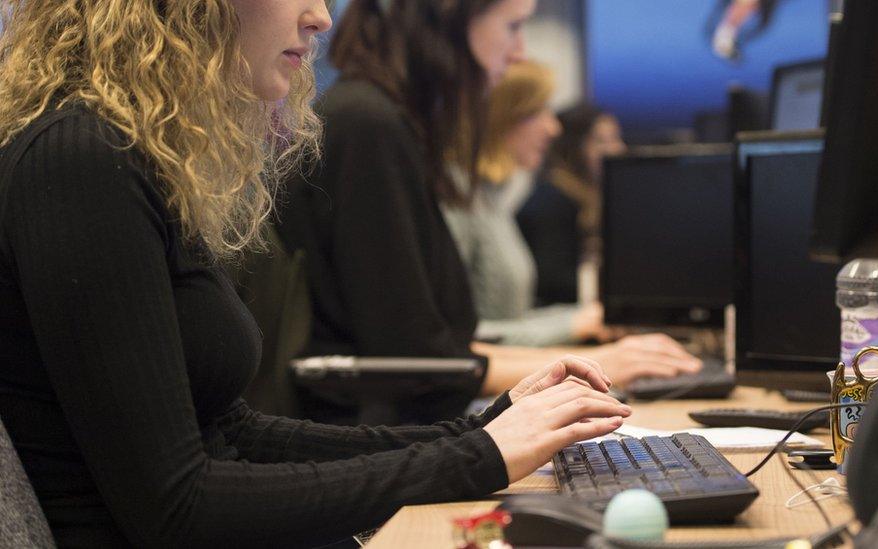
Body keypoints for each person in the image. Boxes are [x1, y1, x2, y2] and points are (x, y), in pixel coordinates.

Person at [0, 1, 630, 546]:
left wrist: (477, 431)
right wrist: (475, 458)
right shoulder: (81, 161)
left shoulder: (139, 158)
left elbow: (231, 432)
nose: (323, 18)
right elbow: (177, 508)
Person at [281, 3, 701, 419]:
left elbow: (434, 350)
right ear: (446, 23)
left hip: (399, 440)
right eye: (512, 27)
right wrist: (593, 363)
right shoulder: (368, 124)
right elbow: (420, 362)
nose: (519, 51)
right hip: (376, 445)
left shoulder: (388, 123)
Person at [517, 103, 626, 306]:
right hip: (547, 317)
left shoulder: (592, 198)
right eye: (602, 142)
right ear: (573, 147)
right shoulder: (552, 200)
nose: (617, 149)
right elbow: (552, 280)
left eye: (616, 138)